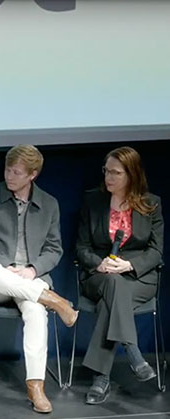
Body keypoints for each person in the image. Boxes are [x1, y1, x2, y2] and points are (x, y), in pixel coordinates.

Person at [0, 144, 78, 414]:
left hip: (30, 279)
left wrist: (32, 270)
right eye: (8, 169)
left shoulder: (49, 204)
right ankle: (53, 299)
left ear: (33, 175)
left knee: (36, 314)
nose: (9, 176)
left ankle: (36, 387)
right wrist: (6, 266)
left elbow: (54, 249)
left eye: (16, 172)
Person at [76, 146, 164, 405]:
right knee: (113, 285)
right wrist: (99, 263)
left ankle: (101, 378)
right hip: (100, 275)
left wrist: (128, 265)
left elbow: (156, 251)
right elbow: (81, 247)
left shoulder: (151, 204)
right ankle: (133, 351)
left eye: (116, 173)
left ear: (132, 174)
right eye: (106, 171)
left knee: (111, 300)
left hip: (139, 278)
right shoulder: (93, 201)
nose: (108, 178)